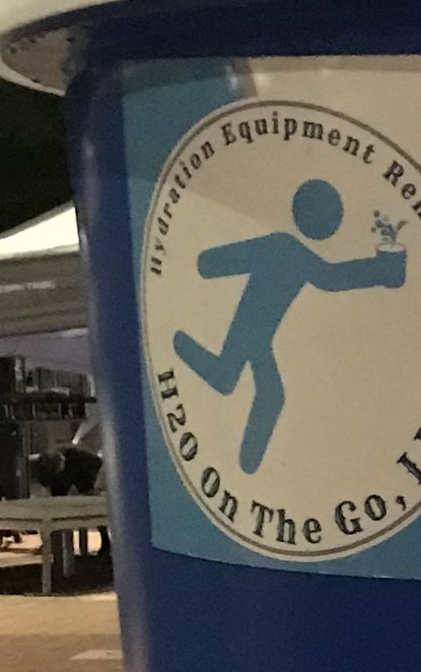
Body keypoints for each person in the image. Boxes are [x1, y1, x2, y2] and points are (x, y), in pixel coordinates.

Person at [172, 178, 404, 473]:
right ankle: (182, 344)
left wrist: (385, 267)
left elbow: (331, 278)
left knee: (258, 388)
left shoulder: (288, 249)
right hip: (250, 329)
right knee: (233, 379)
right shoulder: (285, 248)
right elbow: (331, 278)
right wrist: (385, 267)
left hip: (259, 334)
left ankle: (248, 464)